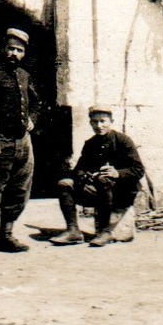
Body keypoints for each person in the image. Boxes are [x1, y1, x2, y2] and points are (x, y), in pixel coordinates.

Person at [0, 27, 44, 254]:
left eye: (19, 50)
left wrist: (32, 119)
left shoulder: (24, 76)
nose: (14, 53)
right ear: (2, 48)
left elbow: (36, 102)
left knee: (19, 190)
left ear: (24, 53)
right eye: (10, 48)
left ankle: (6, 236)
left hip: (23, 143)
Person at [52, 104, 145, 247]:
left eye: (103, 121)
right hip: (101, 192)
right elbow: (79, 170)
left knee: (103, 180)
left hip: (122, 192)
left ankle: (104, 232)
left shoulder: (122, 140)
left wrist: (117, 173)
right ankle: (73, 231)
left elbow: (138, 169)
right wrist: (86, 175)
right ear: (90, 123)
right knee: (65, 183)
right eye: (94, 122)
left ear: (111, 122)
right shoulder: (90, 144)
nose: (99, 125)